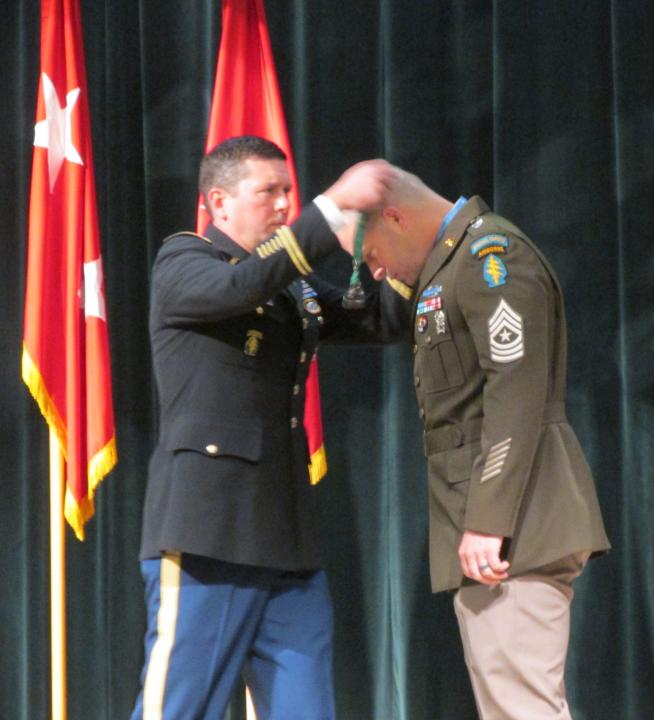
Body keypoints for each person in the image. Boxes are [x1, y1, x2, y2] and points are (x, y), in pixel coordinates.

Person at [132, 136, 412, 720]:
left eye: (291, 192)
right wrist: (330, 207)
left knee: (305, 708)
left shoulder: (292, 288)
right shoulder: (184, 261)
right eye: (269, 192)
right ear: (218, 202)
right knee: (180, 706)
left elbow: (382, 319)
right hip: (210, 528)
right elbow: (242, 287)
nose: (286, 204)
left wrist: (407, 249)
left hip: (285, 535)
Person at [360, 169, 610, 720]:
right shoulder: (447, 267)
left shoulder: (488, 257)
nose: (375, 272)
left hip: (517, 525)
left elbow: (516, 387)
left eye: (374, 253)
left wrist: (489, 519)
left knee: (523, 708)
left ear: (397, 217)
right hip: (495, 526)